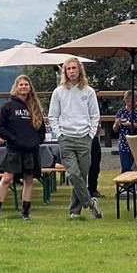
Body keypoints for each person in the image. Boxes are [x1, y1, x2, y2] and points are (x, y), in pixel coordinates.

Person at [48, 57, 102, 220]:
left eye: (74, 68)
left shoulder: (88, 91)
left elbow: (95, 115)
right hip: (66, 138)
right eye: (68, 68)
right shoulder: (58, 92)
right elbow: (53, 115)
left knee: (82, 175)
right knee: (73, 174)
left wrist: (90, 135)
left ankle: (75, 211)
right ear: (65, 71)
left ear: (79, 70)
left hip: (84, 138)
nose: (71, 71)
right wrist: (59, 134)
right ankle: (90, 203)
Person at [0, 75, 46, 222]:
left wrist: (37, 140)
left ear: (30, 87)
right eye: (21, 84)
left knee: (29, 179)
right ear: (16, 87)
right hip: (14, 149)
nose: (23, 87)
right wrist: (12, 138)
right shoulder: (8, 106)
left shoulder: (35, 107)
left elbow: (42, 129)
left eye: (26, 84)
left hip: (31, 149)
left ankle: (25, 213)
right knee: (6, 178)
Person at [113, 90, 137, 173]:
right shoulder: (121, 111)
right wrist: (116, 124)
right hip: (124, 143)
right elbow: (115, 130)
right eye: (127, 101)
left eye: (132, 101)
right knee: (125, 168)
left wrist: (135, 126)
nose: (129, 103)